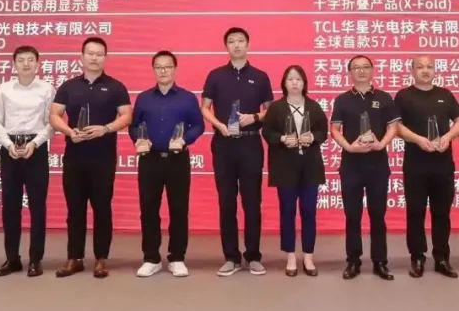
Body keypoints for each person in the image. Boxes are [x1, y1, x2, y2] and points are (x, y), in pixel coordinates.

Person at [50, 37, 132, 279]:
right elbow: (54, 115)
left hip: (103, 157)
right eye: (90, 53)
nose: (94, 58)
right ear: (82, 57)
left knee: (102, 208)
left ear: (105, 58)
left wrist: (105, 129)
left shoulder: (116, 87)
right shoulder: (68, 86)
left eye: (99, 54)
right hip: (75, 155)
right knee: (74, 208)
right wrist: (69, 132)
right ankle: (74, 258)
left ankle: (101, 259)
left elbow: (126, 116)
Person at [201, 27, 274, 276]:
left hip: (251, 144)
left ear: (248, 44)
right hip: (224, 145)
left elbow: (270, 110)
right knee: (226, 202)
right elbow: (205, 107)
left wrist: (255, 117)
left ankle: (253, 255)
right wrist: (219, 125)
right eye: (231, 41)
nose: (237, 45)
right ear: (226, 46)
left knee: (252, 202)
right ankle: (231, 256)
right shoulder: (216, 75)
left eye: (241, 41)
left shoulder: (260, 77)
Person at [129, 51, 204, 278]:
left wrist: (185, 139)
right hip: (150, 160)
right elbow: (134, 126)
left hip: (177, 160)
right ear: (153, 70)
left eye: (167, 66)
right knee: (148, 209)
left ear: (174, 69)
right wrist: (139, 139)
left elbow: (198, 125)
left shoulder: (187, 98)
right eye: (159, 67)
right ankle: (151, 258)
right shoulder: (144, 98)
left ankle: (177, 257)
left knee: (179, 209)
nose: (163, 71)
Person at [394, 55, 459, 279]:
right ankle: (417, 257)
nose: (425, 71)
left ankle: (442, 258)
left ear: (435, 70)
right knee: (415, 211)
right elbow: (396, 126)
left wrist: (448, 137)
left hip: (442, 164)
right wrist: (418, 140)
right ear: (412, 71)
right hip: (415, 164)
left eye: (429, 67)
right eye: (420, 67)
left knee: (441, 213)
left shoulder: (445, 94)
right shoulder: (404, 96)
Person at [0, 45, 55, 278]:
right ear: (14, 64)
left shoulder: (47, 89)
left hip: (36, 149)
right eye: (21, 60)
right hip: (10, 150)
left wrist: (34, 143)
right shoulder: (4, 89)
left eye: (30, 60)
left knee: (37, 207)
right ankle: (12, 259)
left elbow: (52, 122)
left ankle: (35, 259)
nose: (26, 64)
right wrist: (8, 145)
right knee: (10, 207)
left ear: (38, 64)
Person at [330, 55, 398, 281]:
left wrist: (381, 144)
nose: (361, 71)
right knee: (352, 215)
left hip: (377, 164)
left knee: (378, 215)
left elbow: (393, 127)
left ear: (372, 70)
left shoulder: (384, 97)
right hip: (351, 165)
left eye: (365, 67)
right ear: (349, 72)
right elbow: (335, 129)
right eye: (356, 68)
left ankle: (380, 261)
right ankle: (353, 261)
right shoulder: (342, 100)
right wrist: (349, 147)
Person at [261, 66, 327, 277]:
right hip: (285, 167)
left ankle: (308, 255)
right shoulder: (276, 108)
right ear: (284, 83)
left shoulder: (313, 106)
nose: (294, 83)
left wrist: (313, 137)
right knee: (287, 211)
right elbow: (267, 132)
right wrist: (282, 139)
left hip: (310, 167)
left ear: (304, 83)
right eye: (290, 79)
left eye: (298, 79)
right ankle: (290, 255)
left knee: (309, 211)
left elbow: (323, 131)